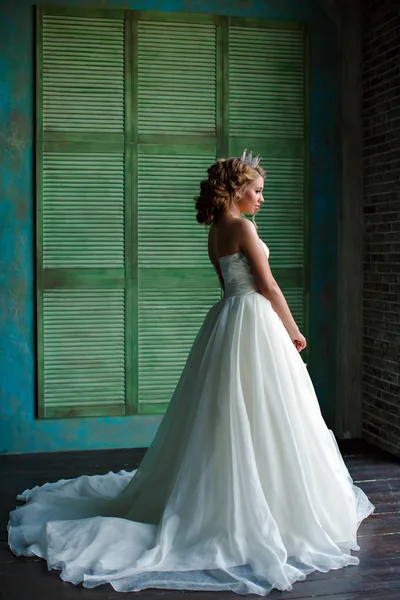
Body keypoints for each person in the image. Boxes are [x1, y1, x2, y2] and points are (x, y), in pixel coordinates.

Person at [8, 152, 374, 596]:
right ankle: (270, 502)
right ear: (237, 190)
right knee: (266, 408)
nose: (261, 199)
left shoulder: (215, 232)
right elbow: (269, 286)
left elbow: (229, 288)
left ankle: (244, 492)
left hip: (228, 321)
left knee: (230, 413)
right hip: (254, 321)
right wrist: (293, 332)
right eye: (256, 191)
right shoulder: (242, 227)